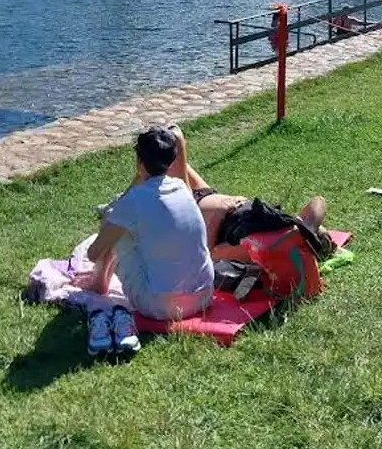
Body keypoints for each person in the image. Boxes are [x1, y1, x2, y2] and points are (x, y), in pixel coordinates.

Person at [102, 125, 333, 263]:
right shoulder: (281, 226)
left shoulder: (262, 248)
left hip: (193, 208)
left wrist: (221, 214)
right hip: (212, 197)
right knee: (166, 157)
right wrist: (306, 226)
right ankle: (121, 201)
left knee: (163, 157)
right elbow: (318, 202)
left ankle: (120, 204)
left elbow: (209, 255)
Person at [75, 126, 215, 324]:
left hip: (161, 307)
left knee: (113, 219)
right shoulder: (183, 188)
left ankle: (98, 282)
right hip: (204, 296)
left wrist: (109, 222)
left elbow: (93, 253)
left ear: (139, 162)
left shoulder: (134, 201)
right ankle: (101, 279)